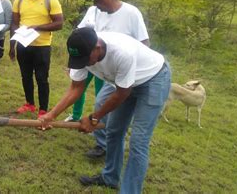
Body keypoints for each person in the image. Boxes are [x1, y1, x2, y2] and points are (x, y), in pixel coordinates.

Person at [39, 27, 171, 193]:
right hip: (123, 83)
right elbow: (76, 87)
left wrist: (94, 118)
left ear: (97, 48)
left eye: (86, 59)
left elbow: (123, 93)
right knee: (114, 131)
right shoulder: (83, 53)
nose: (83, 64)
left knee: (139, 141)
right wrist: (51, 115)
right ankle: (110, 178)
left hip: (153, 79)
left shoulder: (122, 53)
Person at [72, 0, 151, 160]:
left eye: (97, 0)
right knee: (100, 102)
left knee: (112, 107)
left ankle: (111, 141)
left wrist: (135, 73)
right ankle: (102, 144)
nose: (94, 5)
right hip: (94, 62)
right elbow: (80, 33)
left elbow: (144, 43)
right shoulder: (95, 11)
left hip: (123, 68)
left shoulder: (131, 13)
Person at [10, 0, 64, 117]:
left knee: (41, 78)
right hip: (23, 45)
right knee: (25, 76)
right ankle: (29, 104)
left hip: (42, 46)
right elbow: (14, 24)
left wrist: (38, 27)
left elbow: (59, 23)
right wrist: (12, 45)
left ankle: (43, 109)